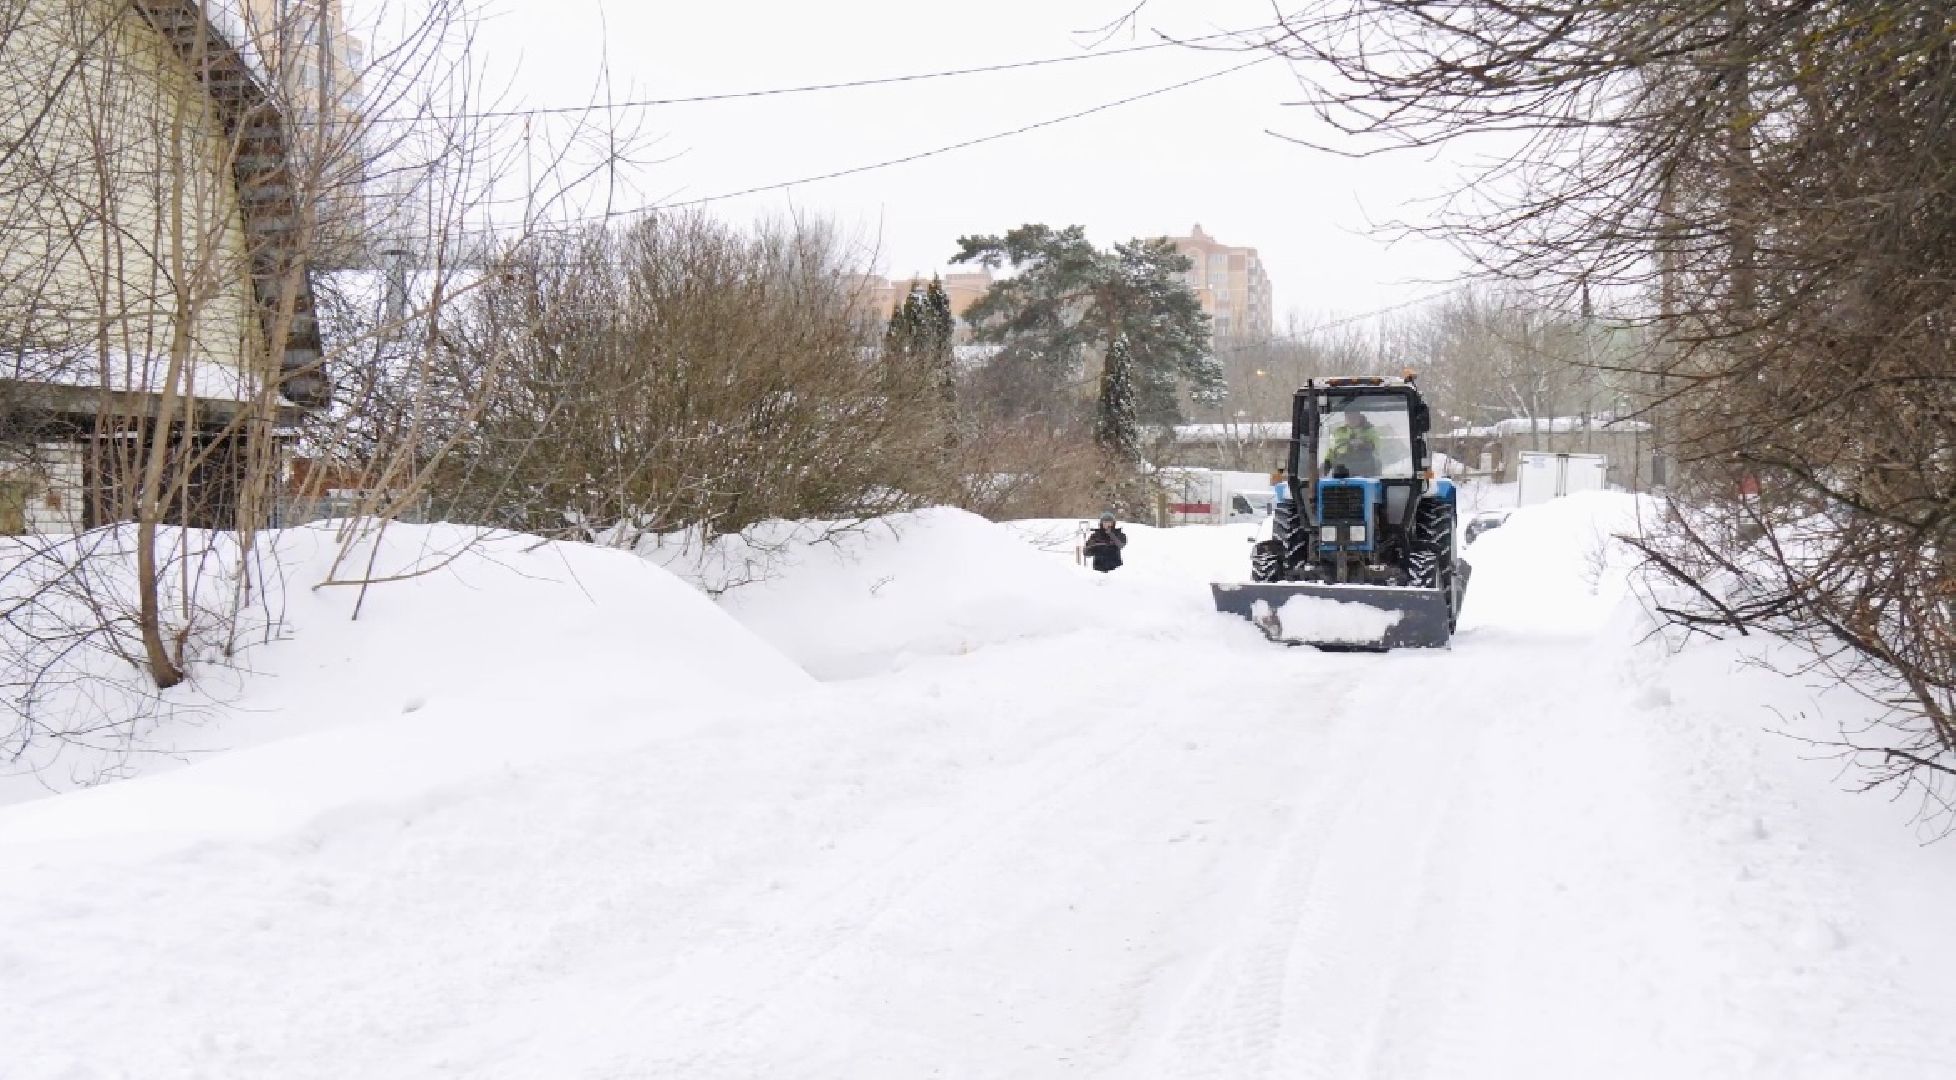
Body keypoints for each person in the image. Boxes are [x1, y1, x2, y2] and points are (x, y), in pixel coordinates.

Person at [1324, 407, 1382, 477]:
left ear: (1359, 416)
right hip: (1342, 472)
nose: (1351, 419)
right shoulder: (1338, 432)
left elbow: (1377, 448)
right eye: (1349, 417)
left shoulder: (1370, 431)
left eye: (1354, 417)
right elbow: (1331, 451)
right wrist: (1325, 465)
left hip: (1366, 471)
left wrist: (1363, 444)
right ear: (1345, 417)